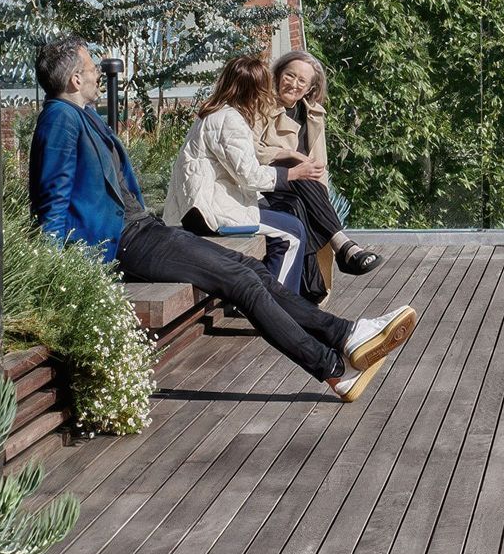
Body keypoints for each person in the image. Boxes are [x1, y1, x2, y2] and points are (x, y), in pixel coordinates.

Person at [28, 36, 417, 402]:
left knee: (252, 270)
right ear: (76, 78)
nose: (98, 72)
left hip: (142, 230)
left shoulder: (81, 115)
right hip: (125, 242)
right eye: (92, 67)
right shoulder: (60, 119)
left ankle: (347, 335)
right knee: (243, 282)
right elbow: (52, 202)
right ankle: (334, 367)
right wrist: (58, 276)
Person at [166, 55, 313, 293]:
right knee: (292, 233)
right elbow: (250, 176)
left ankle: (265, 294)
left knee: (288, 214)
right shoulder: (229, 120)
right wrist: (292, 174)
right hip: (209, 212)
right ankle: (282, 306)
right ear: (254, 90)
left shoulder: (214, 114)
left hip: (198, 206)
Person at [256, 50, 385, 302]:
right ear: (278, 75)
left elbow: (319, 166)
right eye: (289, 76)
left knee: (298, 204)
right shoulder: (261, 107)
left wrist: (320, 200)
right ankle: (343, 247)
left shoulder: (313, 114)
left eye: (301, 81)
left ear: (310, 88)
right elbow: (249, 152)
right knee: (301, 175)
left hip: (301, 192)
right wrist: (289, 156)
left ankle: (312, 285)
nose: (293, 84)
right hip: (265, 185)